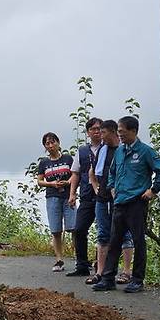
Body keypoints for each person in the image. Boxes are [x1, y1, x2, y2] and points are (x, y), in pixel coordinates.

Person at [93, 116, 160, 292]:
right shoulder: (119, 151)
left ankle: (137, 280)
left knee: (138, 240)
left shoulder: (145, 151)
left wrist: (153, 190)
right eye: (118, 132)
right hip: (119, 202)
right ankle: (108, 278)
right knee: (114, 240)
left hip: (137, 202)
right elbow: (112, 172)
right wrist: (112, 187)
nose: (119, 135)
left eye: (122, 131)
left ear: (133, 131)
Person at [86, 119, 135, 285]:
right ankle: (100, 272)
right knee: (102, 234)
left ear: (113, 132)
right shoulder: (101, 150)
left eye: (103, 132)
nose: (100, 135)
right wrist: (95, 186)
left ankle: (126, 271)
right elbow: (92, 171)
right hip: (102, 198)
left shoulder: (123, 150)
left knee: (125, 234)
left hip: (120, 199)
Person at [66, 118, 103, 277]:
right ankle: (81, 265)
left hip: (105, 196)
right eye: (93, 129)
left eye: (100, 128)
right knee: (79, 229)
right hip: (87, 196)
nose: (97, 131)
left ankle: (100, 265)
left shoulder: (110, 148)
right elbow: (75, 174)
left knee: (104, 232)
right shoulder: (81, 151)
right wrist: (72, 194)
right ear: (87, 132)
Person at [37, 132, 75, 272]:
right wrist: (52, 184)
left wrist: (68, 182)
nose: (51, 145)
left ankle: (79, 258)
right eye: (47, 143)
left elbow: (75, 175)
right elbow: (40, 181)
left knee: (74, 228)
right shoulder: (44, 163)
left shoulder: (68, 158)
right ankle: (59, 260)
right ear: (45, 147)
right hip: (52, 197)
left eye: (53, 142)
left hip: (68, 196)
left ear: (58, 143)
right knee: (56, 230)